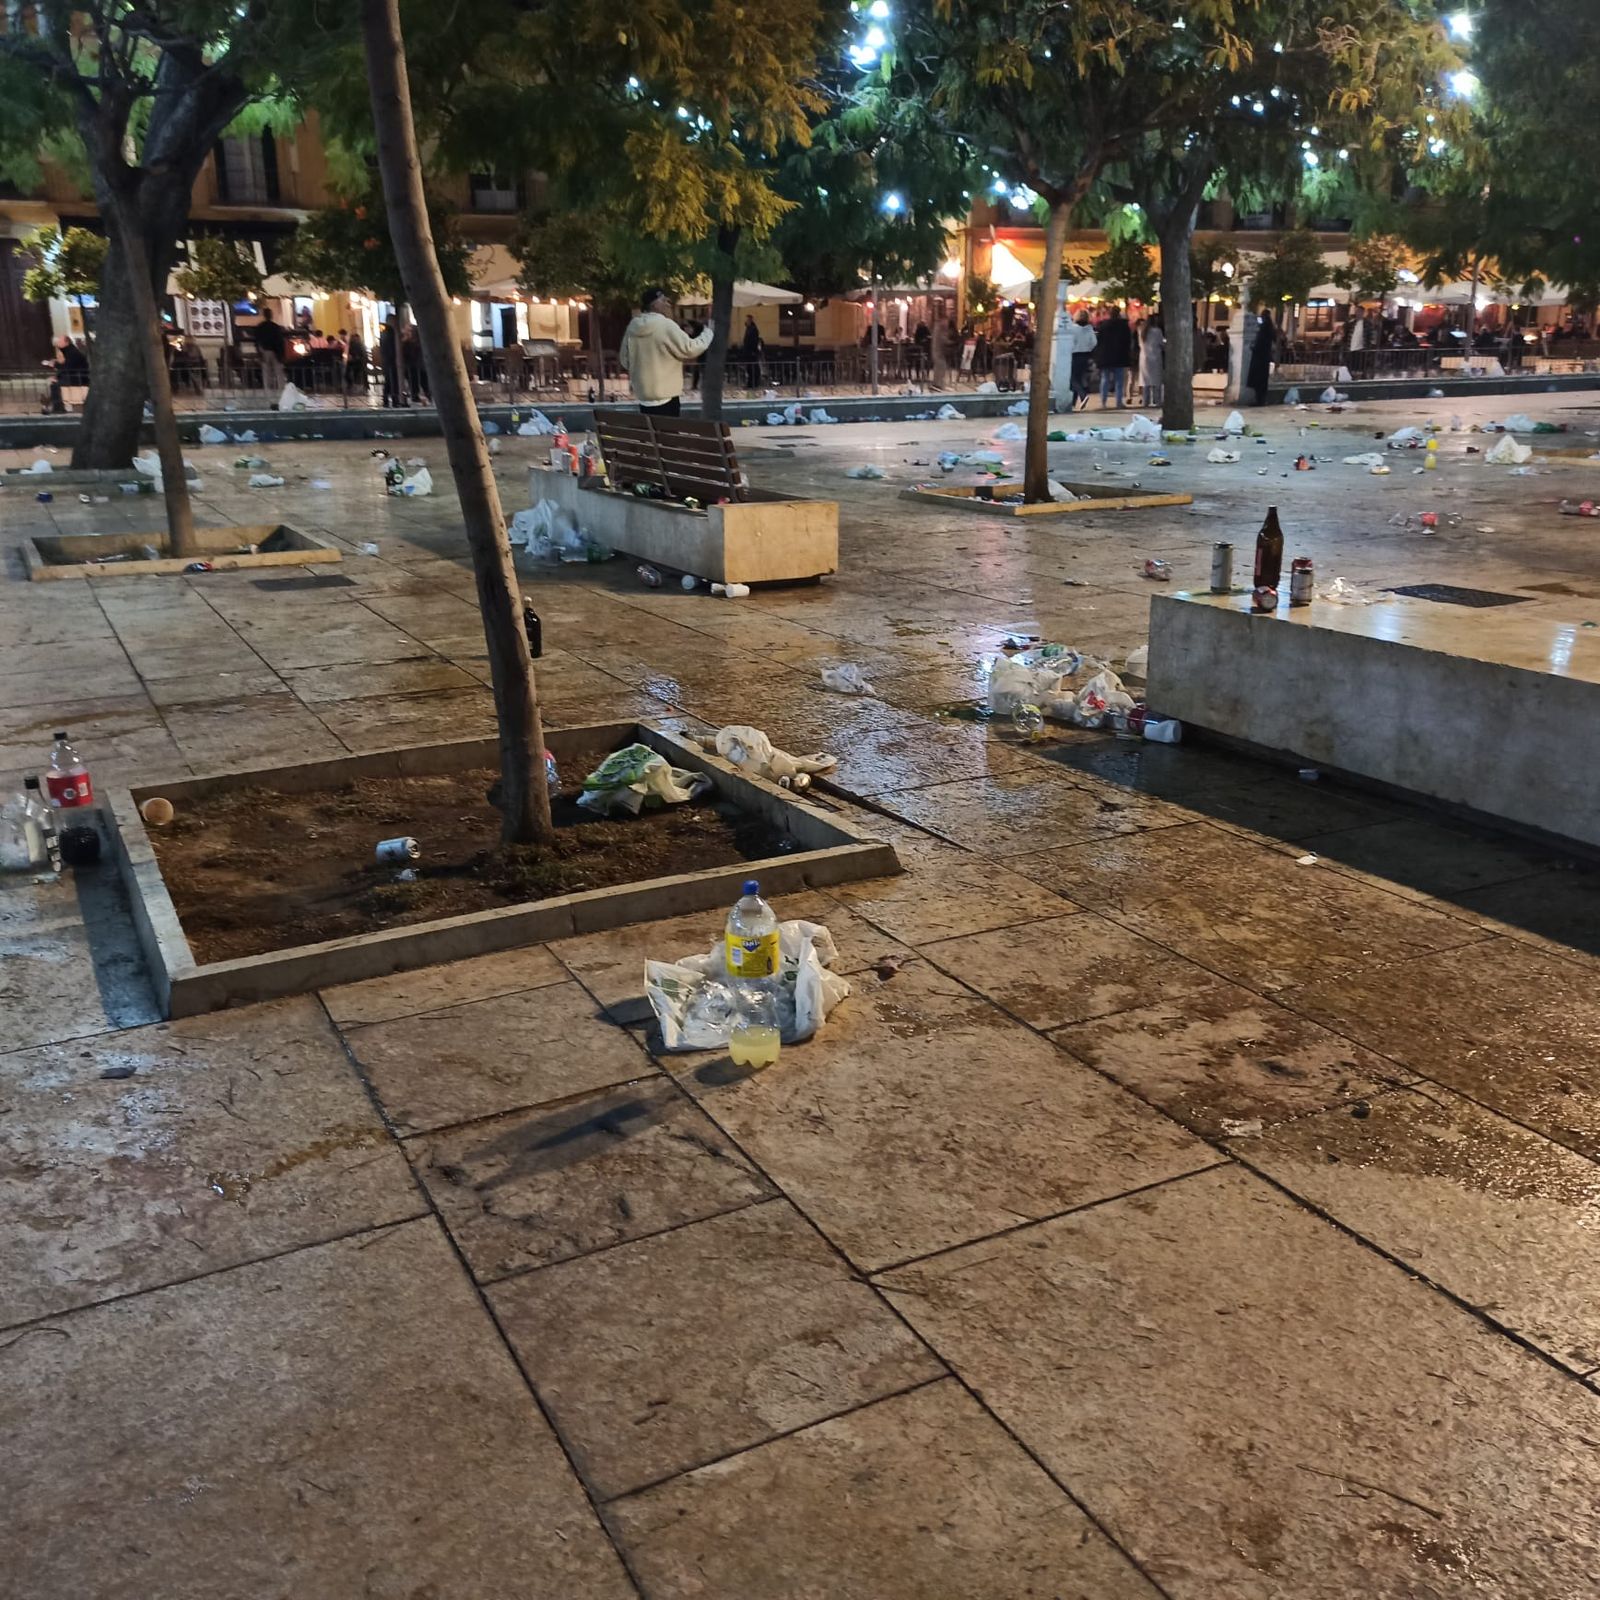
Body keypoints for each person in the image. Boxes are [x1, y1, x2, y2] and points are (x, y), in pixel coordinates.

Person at [618, 286, 713, 416]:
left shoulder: (633, 327)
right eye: (663, 301)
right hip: (666, 394)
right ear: (654, 304)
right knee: (668, 434)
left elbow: (625, 360)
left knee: (652, 434)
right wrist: (708, 333)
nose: (667, 304)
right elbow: (690, 348)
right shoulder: (666, 325)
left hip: (643, 395)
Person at [1095, 305, 1132, 408]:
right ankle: (1118, 402)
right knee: (1119, 380)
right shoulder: (1124, 325)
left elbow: (1098, 340)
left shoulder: (1102, 325)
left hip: (1105, 355)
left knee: (1105, 379)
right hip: (1119, 355)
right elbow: (1128, 342)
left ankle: (1103, 402)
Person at [1065, 310, 1097, 410]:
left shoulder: (1073, 329)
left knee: (1072, 378)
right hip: (1086, 355)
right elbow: (1094, 342)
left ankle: (1082, 395)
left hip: (1075, 354)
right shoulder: (1089, 328)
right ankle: (1073, 403)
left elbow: (1069, 341)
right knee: (1078, 378)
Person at [254, 306, 286, 398]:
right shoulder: (275, 327)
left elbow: (257, 340)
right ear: (271, 315)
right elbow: (280, 341)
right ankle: (281, 389)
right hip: (275, 351)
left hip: (264, 350)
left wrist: (259, 351)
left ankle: (267, 389)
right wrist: (282, 354)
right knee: (278, 371)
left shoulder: (260, 327)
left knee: (266, 371)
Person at [1248, 307, 1276, 404]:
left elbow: (1260, 343)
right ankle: (1261, 400)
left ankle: (1259, 400)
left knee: (1257, 380)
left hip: (1259, 357)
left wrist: (1253, 347)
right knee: (1263, 380)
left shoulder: (1263, 328)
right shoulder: (1270, 328)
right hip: (1265, 357)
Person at [1139, 312, 1165, 409]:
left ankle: (1145, 401)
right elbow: (1162, 343)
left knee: (1146, 381)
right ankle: (1157, 400)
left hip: (1144, 358)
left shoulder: (1141, 331)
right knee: (1156, 380)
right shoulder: (1157, 331)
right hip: (1155, 357)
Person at [379, 319, 403, 408]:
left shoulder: (385, 333)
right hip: (391, 361)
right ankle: (394, 399)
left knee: (388, 381)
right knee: (392, 381)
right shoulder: (391, 334)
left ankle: (386, 399)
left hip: (387, 361)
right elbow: (391, 349)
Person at [740, 314, 763, 388]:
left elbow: (753, 341)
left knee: (752, 368)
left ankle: (753, 383)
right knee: (750, 368)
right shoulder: (749, 328)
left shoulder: (752, 329)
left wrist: (752, 351)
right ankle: (751, 383)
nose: (746, 321)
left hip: (751, 352)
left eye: (747, 320)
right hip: (749, 352)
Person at [344, 328, 367, 395]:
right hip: (358, 362)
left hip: (358, 363)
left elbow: (358, 355)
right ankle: (353, 386)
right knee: (348, 370)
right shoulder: (358, 344)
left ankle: (352, 386)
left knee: (347, 370)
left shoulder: (355, 344)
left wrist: (351, 358)